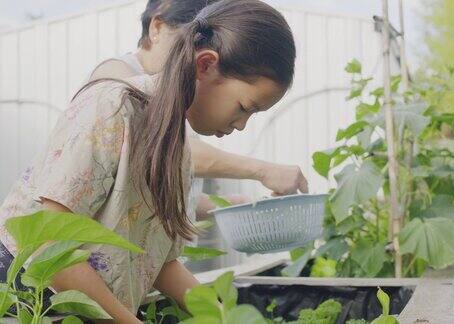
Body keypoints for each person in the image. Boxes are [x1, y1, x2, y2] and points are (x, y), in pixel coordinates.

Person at [0, 0, 298, 322]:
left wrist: (223, 315)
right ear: (205, 65)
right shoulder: (113, 106)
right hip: (26, 298)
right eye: (244, 107)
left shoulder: (176, 143)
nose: (241, 124)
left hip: (88, 307)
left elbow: (159, 263)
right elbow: (48, 244)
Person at [89, 0, 306, 220]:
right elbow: (161, 145)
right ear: (157, 27)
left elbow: (167, 197)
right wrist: (262, 170)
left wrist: (238, 205)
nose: (186, 53)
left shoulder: (186, 102)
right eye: (186, 40)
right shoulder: (117, 82)